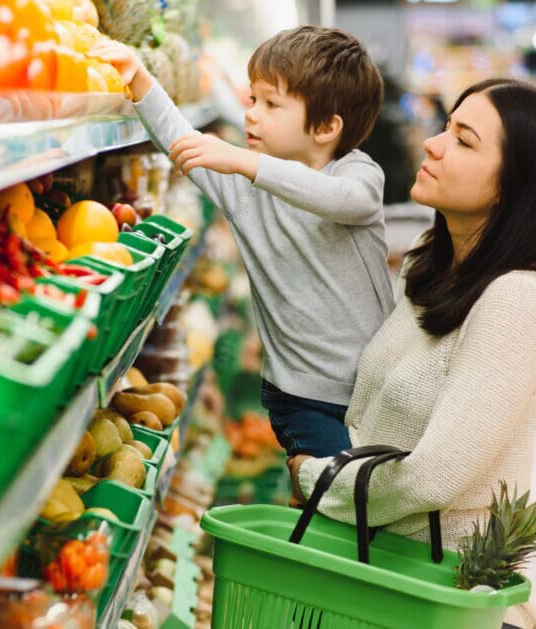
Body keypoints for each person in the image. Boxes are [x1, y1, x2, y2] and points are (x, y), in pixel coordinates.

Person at [287, 79, 536, 629]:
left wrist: (316, 480)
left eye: (463, 140)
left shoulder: (517, 299)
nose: (432, 144)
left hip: (442, 595)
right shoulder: (428, 263)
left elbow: (434, 476)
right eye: (445, 127)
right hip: (377, 580)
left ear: (512, 185)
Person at [91, 27, 393, 458]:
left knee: (365, 492)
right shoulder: (244, 189)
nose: (251, 114)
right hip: (300, 397)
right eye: (253, 99)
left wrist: (247, 161)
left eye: (271, 104)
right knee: (333, 491)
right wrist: (139, 79)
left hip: (374, 387)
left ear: (327, 127)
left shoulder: (356, 174)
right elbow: (181, 141)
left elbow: (344, 200)